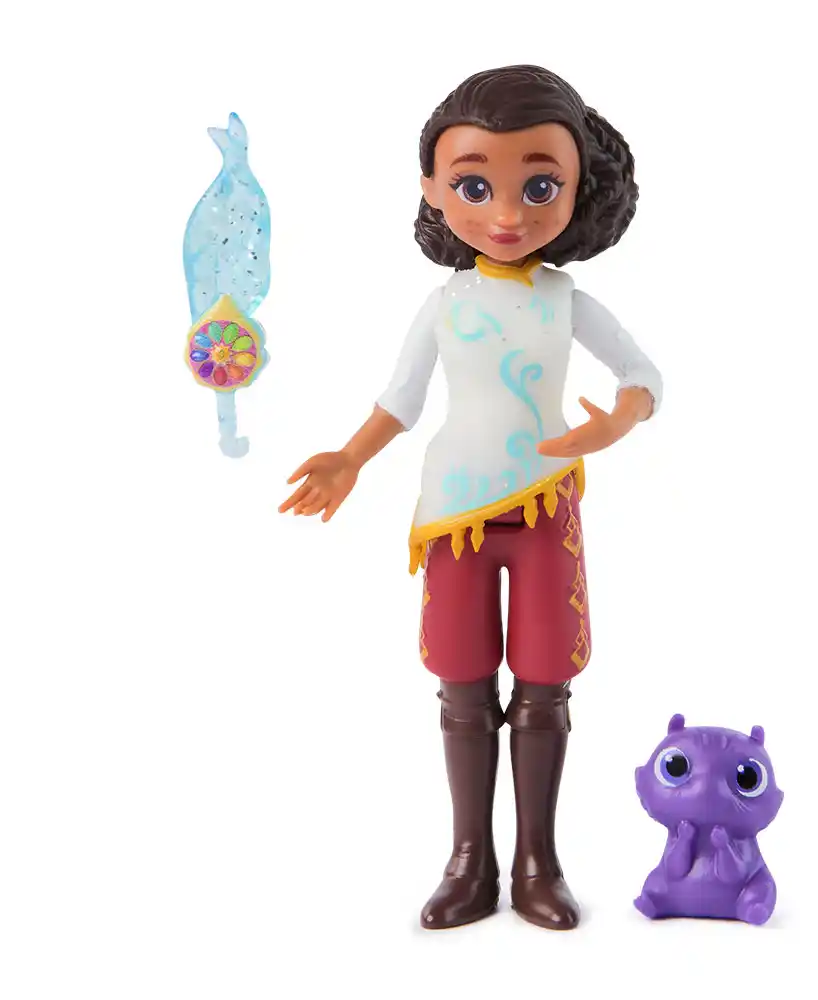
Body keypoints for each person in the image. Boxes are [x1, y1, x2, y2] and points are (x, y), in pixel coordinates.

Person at [280, 65, 662, 930]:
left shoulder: (566, 300)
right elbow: (401, 399)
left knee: (545, 683)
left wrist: (621, 419)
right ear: (431, 189)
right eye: (474, 186)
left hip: (545, 510)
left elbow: (642, 373)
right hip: (454, 514)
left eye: (540, 186)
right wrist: (349, 458)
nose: (508, 214)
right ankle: (468, 860)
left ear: (578, 186)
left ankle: (537, 862)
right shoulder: (444, 303)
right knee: (461, 683)